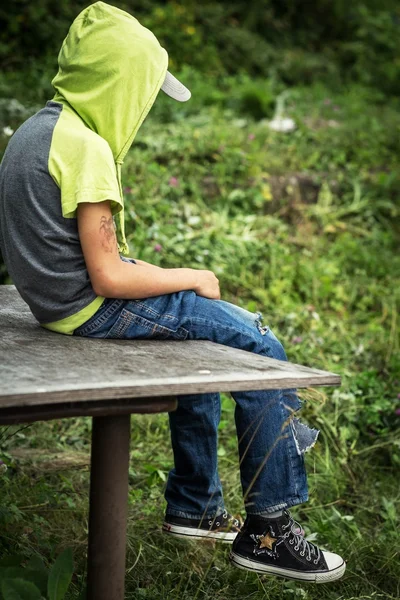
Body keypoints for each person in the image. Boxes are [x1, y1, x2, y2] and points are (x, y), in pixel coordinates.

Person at [0, 1, 345, 583]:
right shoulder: (88, 149)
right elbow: (109, 277)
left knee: (202, 343)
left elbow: (66, 247)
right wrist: (192, 277)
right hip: (91, 308)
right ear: (122, 82)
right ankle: (268, 531)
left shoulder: (37, 131)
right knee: (259, 344)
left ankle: (196, 507)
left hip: (55, 301)